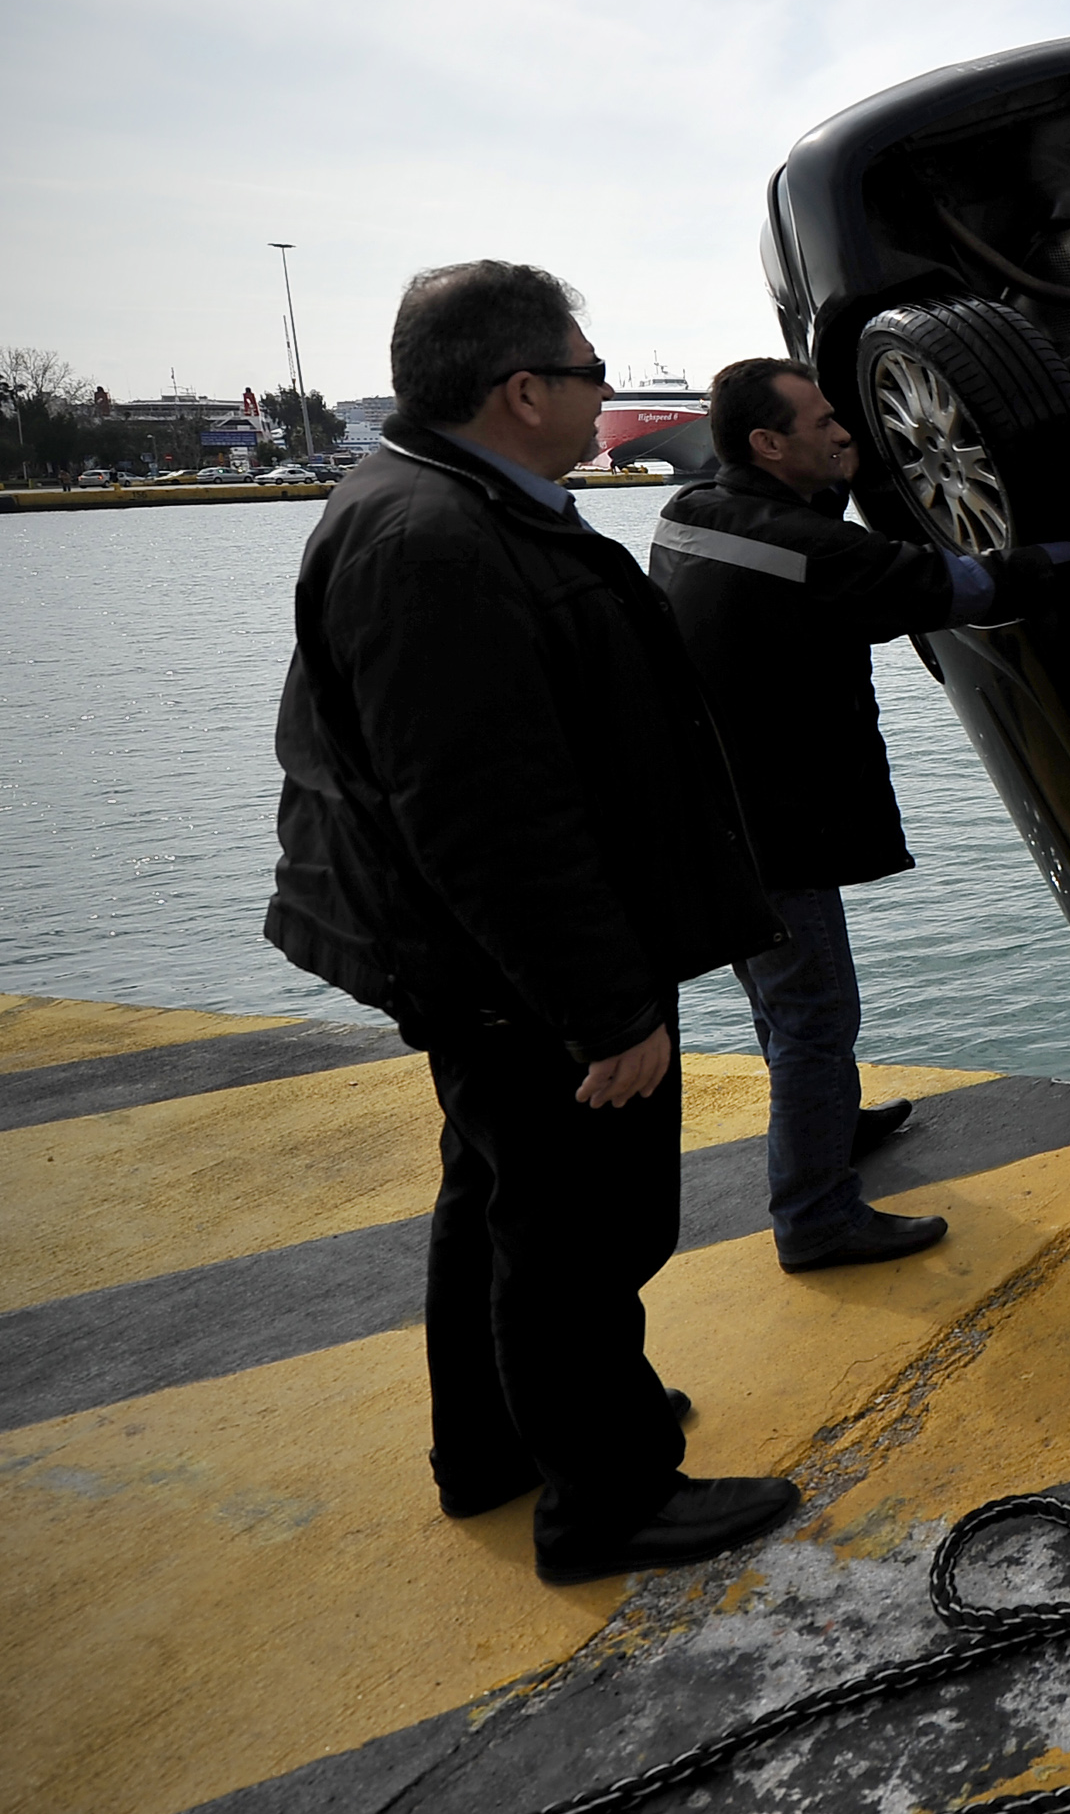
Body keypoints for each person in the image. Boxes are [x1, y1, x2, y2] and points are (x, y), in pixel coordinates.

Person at [266, 261, 797, 1586]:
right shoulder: (432, 544)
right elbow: (486, 813)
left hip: (490, 961)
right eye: (586, 371)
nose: (601, 392)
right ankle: (607, 1497)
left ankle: (502, 1442)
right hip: (520, 971)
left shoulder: (447, 510)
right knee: (576, 1233)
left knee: (500, 1198)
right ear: (521, 391)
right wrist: (604, 1007)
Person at [651, 358, 1070, 1270]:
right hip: (773, 824)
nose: (846, 434)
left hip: (707, 806)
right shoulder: (814, 552)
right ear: (766, 443)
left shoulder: (695, 512)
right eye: (823, 421)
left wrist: (835, 492)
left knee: (780, 1006)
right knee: (815, 1015)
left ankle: (828, 1125)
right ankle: (815, 1217)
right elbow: (951, 588)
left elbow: (807, 584)